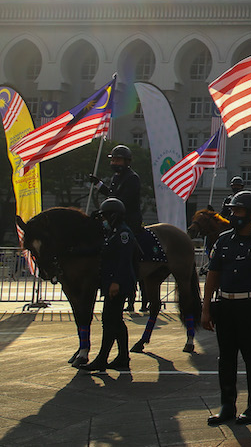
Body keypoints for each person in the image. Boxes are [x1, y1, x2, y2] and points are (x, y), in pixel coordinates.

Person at [201, 190, 251, 426]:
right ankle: (227, 406)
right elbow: (212, 276)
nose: (233, 215)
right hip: (225, 305)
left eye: (238, 211)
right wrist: (206, 309)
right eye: (232, 210)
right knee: (225, 357)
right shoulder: (223, 240)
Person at [78, 198, 137, 372]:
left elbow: (124, 261)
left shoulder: (123, 233)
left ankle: (102, 359)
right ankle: (123, 357)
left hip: (119, 284)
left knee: (109, 320)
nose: (104, 219)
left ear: (114, 215)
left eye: (106, 216)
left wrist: (116, 282)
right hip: (111, 283)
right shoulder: (113, 232)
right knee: (115, 320)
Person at [89, 145, 143, 234]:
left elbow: (123, 200)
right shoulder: (116, 177)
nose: (114, 163)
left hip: (128, 219)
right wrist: (97, 184)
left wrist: (106, 210)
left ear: (127, 162)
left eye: (118, 161)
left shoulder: (132, 178)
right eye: (113, 160)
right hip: (114, 218)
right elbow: (111, 194)